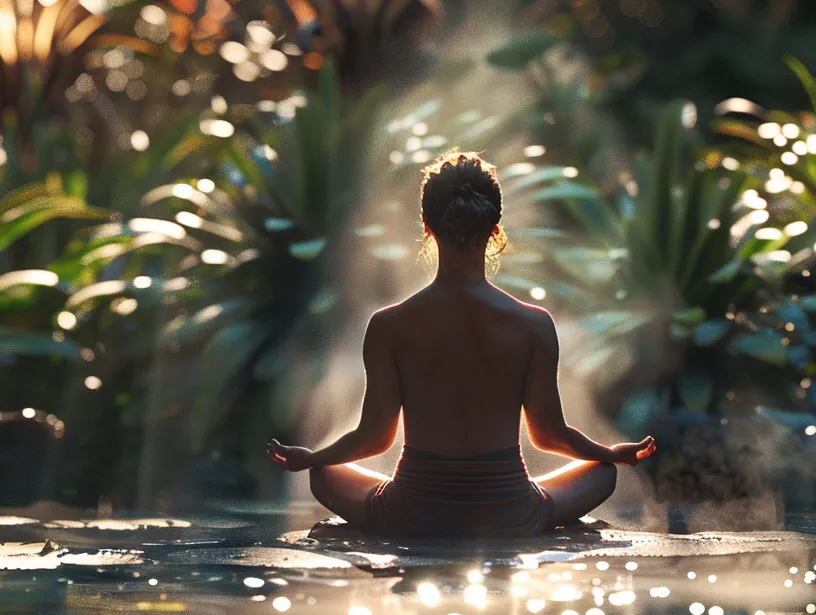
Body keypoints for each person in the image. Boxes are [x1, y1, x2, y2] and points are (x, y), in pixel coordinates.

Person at [265, 151, 657, 538]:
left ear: (426, 225)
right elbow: (549, 435)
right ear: (495, 228)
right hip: (512, 513)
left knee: (324, 474)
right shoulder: (533, 324)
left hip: (410, 513)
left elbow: (375, 437)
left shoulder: (389, 325)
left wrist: (313, 458)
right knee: (601, 473)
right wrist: (611, 454)